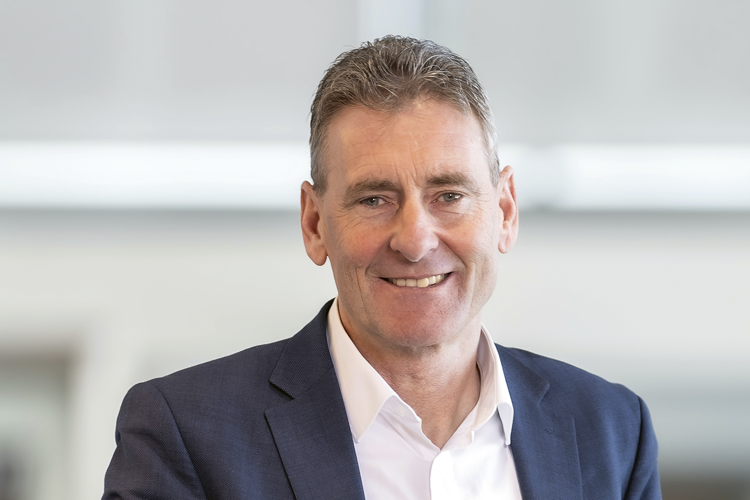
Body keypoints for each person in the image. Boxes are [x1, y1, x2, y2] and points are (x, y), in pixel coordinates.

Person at [103, 36, 661, 500]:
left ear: (506, 212)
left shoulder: (612, 432)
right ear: (315, 223)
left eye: (449, 195)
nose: (415, 240)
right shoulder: (185, 435)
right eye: (374, 199)